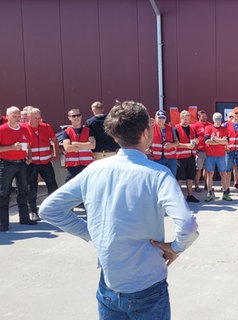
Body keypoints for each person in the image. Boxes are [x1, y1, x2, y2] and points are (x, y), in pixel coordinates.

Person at [39, 100, 199, 319]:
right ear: (146, 133)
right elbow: (188, 225)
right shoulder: (158, 174)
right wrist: (176, 247)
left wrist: (91, 233)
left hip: (109, 285)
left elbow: (49, 209)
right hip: (148, 286)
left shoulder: (93, 171)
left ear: (115, 137)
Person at [0, 106, 37, 231]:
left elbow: (28, 145)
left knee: (23, 191)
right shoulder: (2, 129)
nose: (17, 118)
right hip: (6, 164)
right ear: (8, 116)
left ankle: (25, 218)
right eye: (14, 116)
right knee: (4, 193)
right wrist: (11, 147)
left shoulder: (24, 129)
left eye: (18, 116)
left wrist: (29, 156)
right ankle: (3, 223)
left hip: (22, 164)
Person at [23, 107, 60, 221]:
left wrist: (56, 153)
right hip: (32, 164)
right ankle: (33, 211)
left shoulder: (46, 126)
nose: (38, 120)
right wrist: (26, 155)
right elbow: (22, 144)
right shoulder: (23, 128)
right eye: (35, 118)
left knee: (52, 186)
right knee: (32, 188)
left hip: (46, 162)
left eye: (39, 117)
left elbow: (54, 141)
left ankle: (52, 210)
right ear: (28, 118)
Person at [62, 108, 96, 181]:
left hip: (87, 165)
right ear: (69, 118)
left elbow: (93, 145)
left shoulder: (88, 130)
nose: (76, 117)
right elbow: (68, 148)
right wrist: (86, 145)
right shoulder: (66, 132)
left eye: (78, 115)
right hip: (73, 166)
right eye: (73, 116)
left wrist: (75, 144)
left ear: (81, 116)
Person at [204, 112, 231, 202]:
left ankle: (225, 193)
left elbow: (226, 142)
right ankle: (209, 193)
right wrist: (221, 141)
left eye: (220, 119)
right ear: (213, 119)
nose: (218, 121)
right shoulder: (208, 128)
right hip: (210, 155)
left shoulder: (224, 129)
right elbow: (207, 142)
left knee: (223, 174)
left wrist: (215, 139)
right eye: (216, 119)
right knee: (210, 174)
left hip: (221, 156)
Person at [175, 110, 200, 203]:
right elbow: (175, 144)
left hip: (191, 156)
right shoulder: (176, 129)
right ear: (181, 118)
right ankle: (178, 198)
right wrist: (186, 145)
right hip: (180, 157)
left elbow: (197, 138)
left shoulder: (192, 128)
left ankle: (190, 195)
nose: (186, 121)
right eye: (184, 119)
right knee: (179, 178)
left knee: (190, 177)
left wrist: (196, 141)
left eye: (187, 119)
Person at [151, 110, 179, 176]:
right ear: (155, 118)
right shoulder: (151, 128)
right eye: (159, 117)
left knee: (172, 176)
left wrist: (171, 145)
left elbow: (177, 142)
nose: (161, 119)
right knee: (158, 177)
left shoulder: (171, 128)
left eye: (163, 118)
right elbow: (146, 141)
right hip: (156, 157)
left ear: (165, 119)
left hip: (170, 158)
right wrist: (148, 149)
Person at [192, 110, 212, 192]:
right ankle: (196, 186)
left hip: (209, 151)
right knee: (198, 169)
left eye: (205, 116)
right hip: (199, 151)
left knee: (207, 169)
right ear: (199, 117)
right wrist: (194, 149)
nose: (204, 117)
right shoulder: (195, 126)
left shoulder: (210, 125)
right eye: (203, 116)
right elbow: (193, 138)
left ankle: (207, 185)